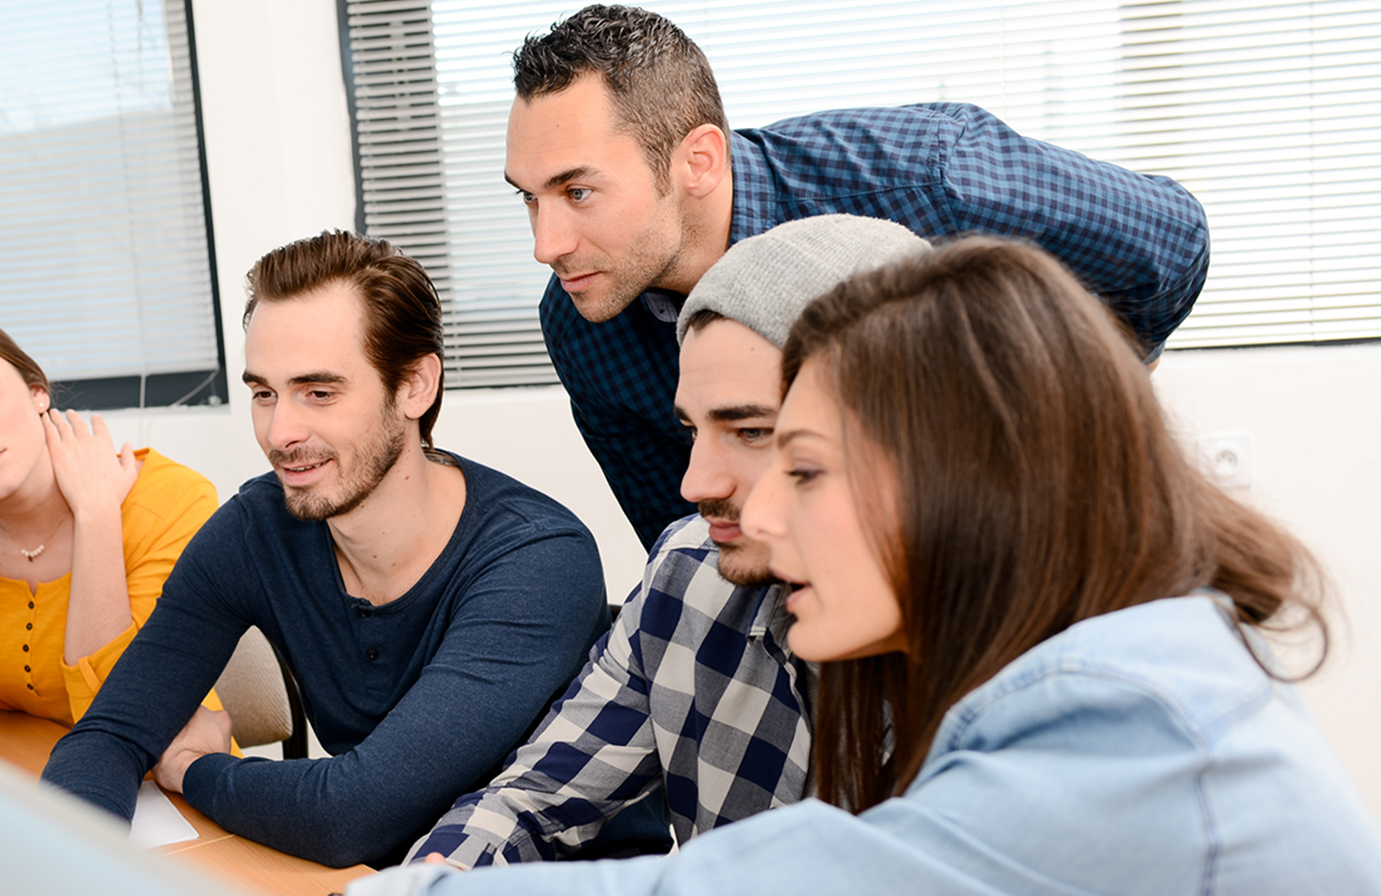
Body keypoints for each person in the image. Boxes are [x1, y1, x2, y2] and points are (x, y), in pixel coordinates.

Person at [352, 238, 1381, 895]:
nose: (744, 500)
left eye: (796, 460)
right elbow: (539, 800)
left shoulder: (1121, 710)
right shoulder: (1107, 658)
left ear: (961, 472)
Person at [505, 4, 1212, 547]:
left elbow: (1169, 244)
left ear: (696, 161)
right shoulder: (580, 319)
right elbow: (691, 532)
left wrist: (1057, 430)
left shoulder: (930, 177)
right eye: (528, 197)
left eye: (578, 192)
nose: (546, 244)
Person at [38, 232, 612, 869]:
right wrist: (64, 866)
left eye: (320, 392)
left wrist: (192, 768)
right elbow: (109, 735)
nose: (281, 433)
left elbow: (353, 815)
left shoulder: (535, 561)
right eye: (264, 393)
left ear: (415, 385)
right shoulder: (260, 528)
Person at [408, 215, 928, 867]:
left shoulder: (1028, 688)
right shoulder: (689, 571)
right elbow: (531, 800)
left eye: (751, 433)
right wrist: (443, 877)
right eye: (691, 432)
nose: (693, 483)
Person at [0, 302, 221, 730]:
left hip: (166, 787)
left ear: (37, 391)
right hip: (32, 781)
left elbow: (123, 723)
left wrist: (96, 515)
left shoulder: (173, 501)